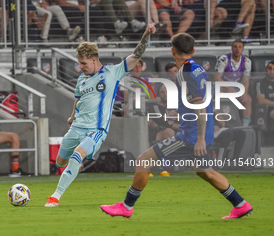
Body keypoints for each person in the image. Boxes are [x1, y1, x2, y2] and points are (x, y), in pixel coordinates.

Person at [100, 32, 253, 219]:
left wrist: (199, 139)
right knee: (205, 172)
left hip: (192, 134)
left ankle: (126, 206)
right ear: (193, 51)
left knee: (143, 160)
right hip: (203, 129)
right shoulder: (198, 69)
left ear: (172, 52)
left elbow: (198, 106)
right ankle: (240, 204)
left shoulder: (184, 73)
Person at [45, 23, 156, 207]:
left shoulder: (113, 72)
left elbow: (137, 54)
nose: (80, 67)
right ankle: (70, 164)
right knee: (59, 161)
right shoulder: (82, 78)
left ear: (94, 59)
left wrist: (146, 34)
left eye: (83, 63)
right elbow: (78, 99)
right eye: (79, 63)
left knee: (76, 157)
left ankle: (55, 197)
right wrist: (72, 116)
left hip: (96, 129)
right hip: (76, 127)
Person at [214, 40, 252, 126]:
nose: (237, 49)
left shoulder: (247, 61)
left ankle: (245, 125)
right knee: (219, 91)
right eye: (235, 47)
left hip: (236, 87)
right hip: (222, 86)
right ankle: (220, 123)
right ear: (232, 48)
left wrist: (244, 93)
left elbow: (246, 80)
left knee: (248, 99)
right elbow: (217, 78)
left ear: (243, 49)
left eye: (239, 47)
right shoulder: (223, 59)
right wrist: (230, 89)